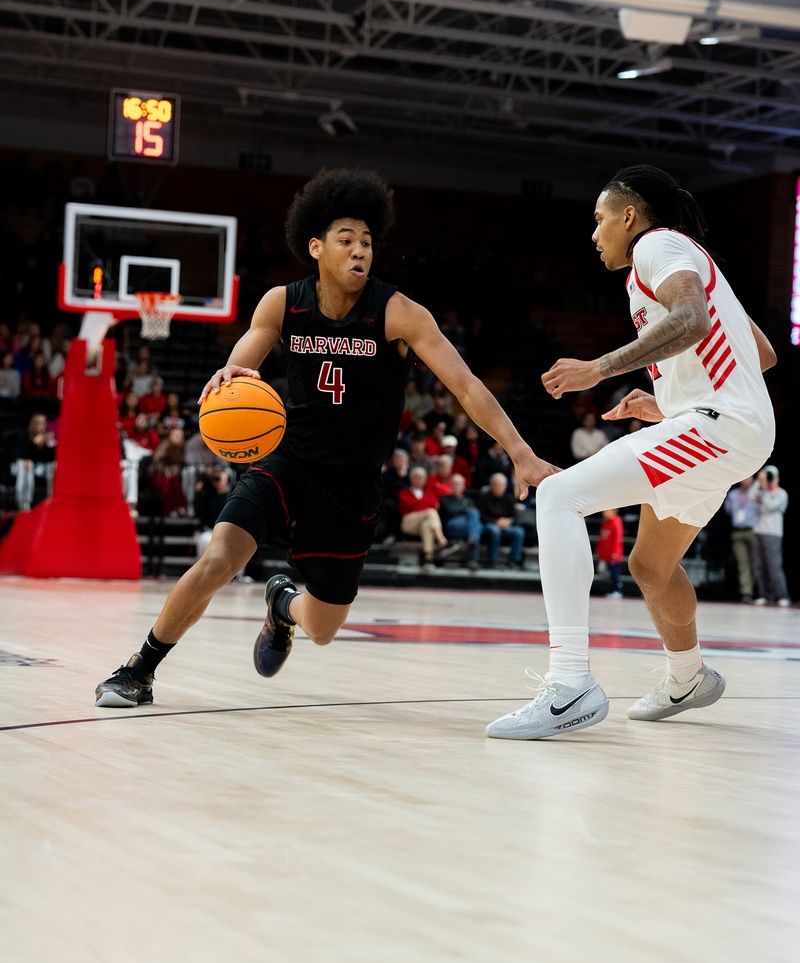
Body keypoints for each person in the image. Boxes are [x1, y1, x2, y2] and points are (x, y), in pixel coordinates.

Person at [96, 167, 556, 707]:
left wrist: (520, 453)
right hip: (289, 460)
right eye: (346, 240)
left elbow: (466, 386)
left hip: (353, 482)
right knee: (220, 556)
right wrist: (226, 375)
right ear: (315, 247)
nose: (360, 250)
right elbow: (242, 363)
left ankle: (281, 604)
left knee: (322, 626)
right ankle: (139, 669)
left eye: (366, 241)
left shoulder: (396, 313)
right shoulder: (282, 303)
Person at [487, 164, 777, 740]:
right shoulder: (689, 261)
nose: (594, 234)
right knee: (649, 565)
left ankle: (570, 684)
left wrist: (598, 369)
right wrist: (672, 399)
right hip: (725, 426)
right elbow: (760, 353)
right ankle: (688, 675)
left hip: (721, 427)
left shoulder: (658, 245)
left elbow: (692, 320)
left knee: (561, 494)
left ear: (628, 215)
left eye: (599, 220)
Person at [749, 466, 790, 606]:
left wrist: (765, 488)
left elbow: (769, 506)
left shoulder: (781, 494)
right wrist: (758, 481)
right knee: (759, 566)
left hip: (773, 533)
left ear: (777, 478)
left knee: (774, 566)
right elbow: (750, 496)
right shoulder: (761, 491)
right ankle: (764, 595)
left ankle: (782, 596)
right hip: (758, 531)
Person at [399, 466, 450, 569]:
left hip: (424, 522)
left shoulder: (430, 492)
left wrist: (422, 507)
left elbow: (435, 503)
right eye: (417, 477)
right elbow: (409, 504)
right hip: (408, 522)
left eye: (422, 478)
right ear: (411, 478)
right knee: (431, 512)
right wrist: (425, 508)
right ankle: (443, 542)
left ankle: (428, 559)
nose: (420, 480)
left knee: (426, 525)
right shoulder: (404, 492)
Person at [477, 472, 526, 568]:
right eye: (496, 485)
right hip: (488, 525)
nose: (498, 487)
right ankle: (492, 560)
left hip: (505, 527)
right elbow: (481, 516)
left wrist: (508, 521)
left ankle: (513, 561)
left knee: (519, 532)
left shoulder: (509, 498)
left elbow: (515, 517)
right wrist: (496, 522)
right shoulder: (484, 497)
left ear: (505, 486)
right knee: (494, 530)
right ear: (491, 486)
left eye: (501, 485)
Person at [723, 477, 759, 602]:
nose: (745, 480)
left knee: (757, 563)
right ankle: (746, 593)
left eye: (748, 478)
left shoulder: (757, 493)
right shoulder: (733, 494)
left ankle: (760, 592)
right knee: (743, 564)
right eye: (743, 478)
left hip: (753, 531)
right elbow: (727, 510)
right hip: (737, 532)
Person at [439, 473, 482, 569]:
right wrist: (465, 509)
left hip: (468, 526)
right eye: (455, 484)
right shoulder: (445, 498)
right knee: (476, 525)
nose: (457, 486)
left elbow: (470, 511)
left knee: (475, 519)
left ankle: (472, 544)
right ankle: (472, 558)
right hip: (453, 525)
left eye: (459, 484)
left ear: (463, 486)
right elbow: (451, 510)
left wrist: (464, 510)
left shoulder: (469, 499)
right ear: (450, 485)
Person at [596, 507, 624, 598]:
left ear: (613, 511)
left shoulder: (616, 523)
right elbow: (601, 539)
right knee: (606, 573)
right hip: (605, 554)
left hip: (613, 555)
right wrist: (599, 551)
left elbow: (617, 539)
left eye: (606, 510)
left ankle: (618, 590)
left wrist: (615, 552)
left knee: (614, 574)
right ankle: (612, 589)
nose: (603, 512)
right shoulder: (605, 523)